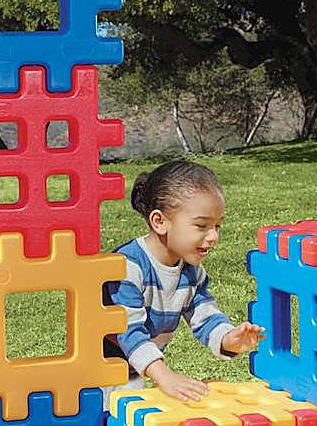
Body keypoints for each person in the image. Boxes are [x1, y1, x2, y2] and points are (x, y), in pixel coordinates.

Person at [103, 160, 263, 406]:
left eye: (217, 226)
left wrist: (228, 339)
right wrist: (164, 376)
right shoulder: (128, 267)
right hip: (98, 373)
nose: (213, 237)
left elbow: (205, 316)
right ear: (159, 222)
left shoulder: (191, 271)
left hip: (134, 371)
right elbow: (128, 331)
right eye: (201, 226)